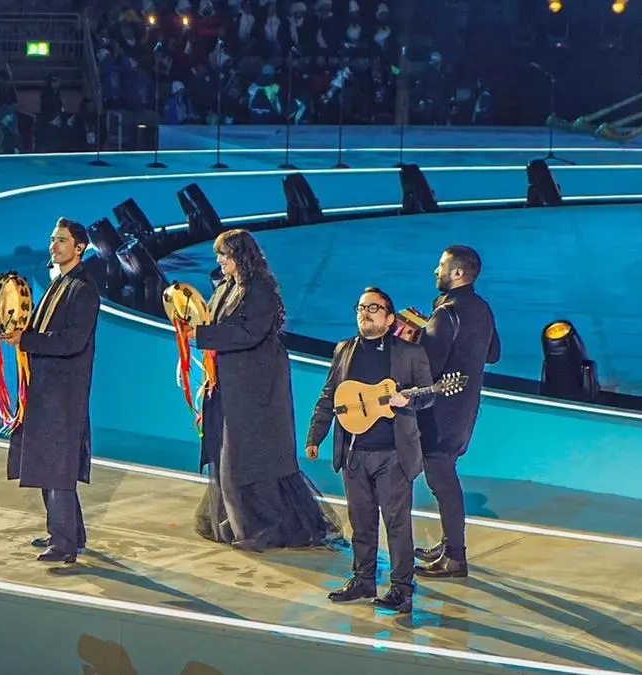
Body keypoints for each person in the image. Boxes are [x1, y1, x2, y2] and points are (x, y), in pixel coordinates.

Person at [189, 229, 341, 551]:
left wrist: (204, 336)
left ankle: (267, 528)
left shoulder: (260, 291)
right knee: (228, 454)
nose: (219, 261)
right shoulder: (228, 287)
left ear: (240, 256)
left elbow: (249, 332)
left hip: (256, 387)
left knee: (253, 456)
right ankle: (239, 522)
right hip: (230, 384)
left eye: (225, 255)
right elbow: (217, 324)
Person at [306, 287, 433, 614]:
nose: (366, 312)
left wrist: (410, 399)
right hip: (353, 451)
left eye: (374, 308)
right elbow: (329, 396)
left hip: (393, 454)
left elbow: (429, 395)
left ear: (390, 319)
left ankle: (402, 588)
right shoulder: (344, 350)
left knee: (397, 524)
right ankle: (363, 580)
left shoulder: (410, 354)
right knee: (360, 522)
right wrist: (315, 435)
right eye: (361, 307)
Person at [3, 217, 100, 564]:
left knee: (58, 466)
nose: (54, 246)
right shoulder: (61, 283)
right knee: (49, 462)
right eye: (53, 240)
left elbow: (73, 341)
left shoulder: (83, 289)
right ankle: (70, 532)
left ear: (80, 247)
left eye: (62, 240)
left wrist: (26, 340)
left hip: (63, 393)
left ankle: (64, 544)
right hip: (46, 389)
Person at [414, 245, 500, 578]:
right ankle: (450, 543)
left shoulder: (447, 313)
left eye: (441, 266)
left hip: (439, 412)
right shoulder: (482, 308)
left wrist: (413, 337)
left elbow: (427, 366)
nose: (436, 271)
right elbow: (493, 353)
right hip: (465, 410)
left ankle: (455, 556)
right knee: (445, 477)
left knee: (442, 480)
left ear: (458, 273)